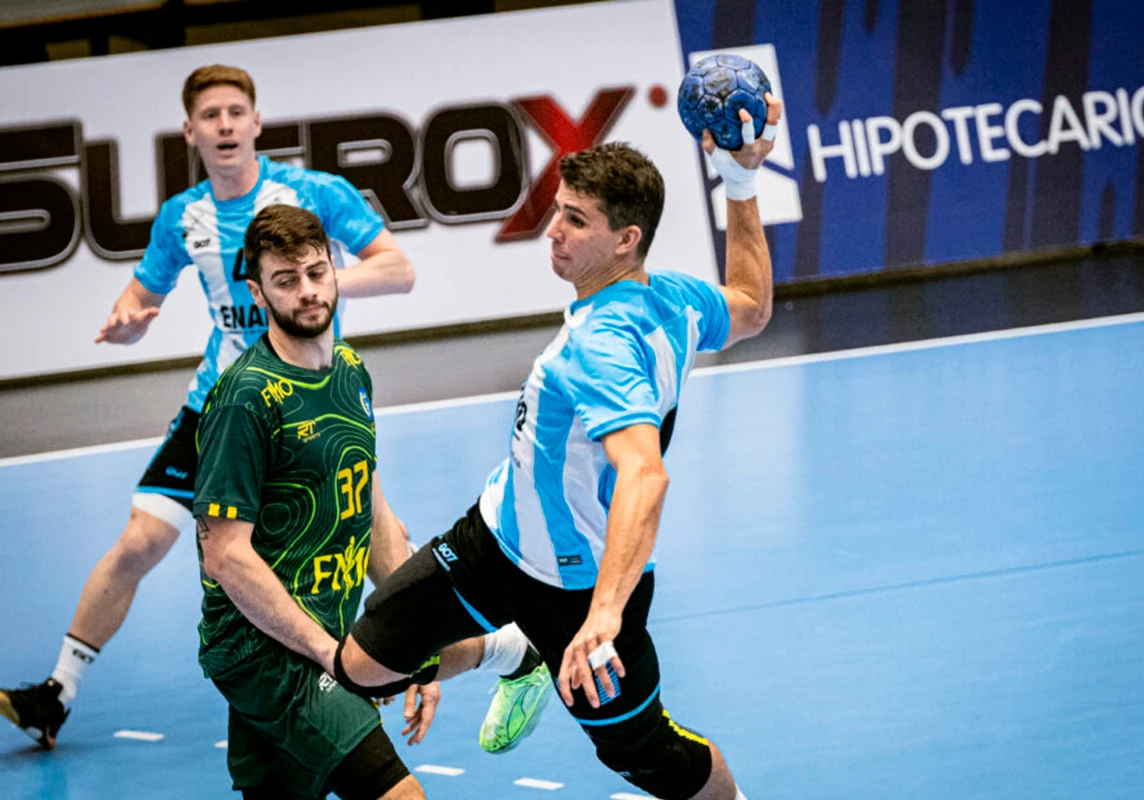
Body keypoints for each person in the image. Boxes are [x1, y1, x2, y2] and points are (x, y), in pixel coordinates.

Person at [0, 64, 549, 752]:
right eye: (212, 115)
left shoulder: (313, 194)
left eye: (237, 112)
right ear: (190, 131)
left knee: (386, 556)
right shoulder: (184, 218)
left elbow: (398, 269)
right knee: (140, 541)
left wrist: (305, 283)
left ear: (256, 124)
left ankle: (508, 651)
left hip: (315, 406)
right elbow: (142, 295)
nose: (225, 124)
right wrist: (129, 319)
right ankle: (57, 693)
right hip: (220, 409)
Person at [332, 97, 783, 800]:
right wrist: (741, 181)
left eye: (576, 220)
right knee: (363, 665)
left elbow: (645, 477)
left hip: (580, 588)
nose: (554, 231)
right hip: (497, 536)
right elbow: (752, 307)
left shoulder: (600, 347)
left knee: (651, 759)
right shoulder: (676, 300)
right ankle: (514, 650)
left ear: (626, 239)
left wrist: (603, 616)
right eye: (559, 210)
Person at [194, 203, 449, 798]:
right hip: (265, 650)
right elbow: (225, 556)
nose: (307, 292)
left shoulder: (351, 373)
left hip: (321, 636)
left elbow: (377, 518)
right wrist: (334, 656)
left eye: (316, 272)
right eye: (286, 281)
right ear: (258, 293)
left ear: (334, 270)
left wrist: (419, 648)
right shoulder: (246, 399)